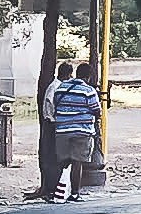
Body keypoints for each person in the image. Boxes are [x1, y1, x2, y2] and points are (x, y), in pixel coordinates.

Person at [39, 51, 101, 198]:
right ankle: (74, 193)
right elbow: (96, 110)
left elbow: (55, 105)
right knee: (77, 162)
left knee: (62, 161)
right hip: (81, 131)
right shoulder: (89, 90)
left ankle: (56, 191)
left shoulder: (60, 88)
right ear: (88, 77)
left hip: (61, 130)